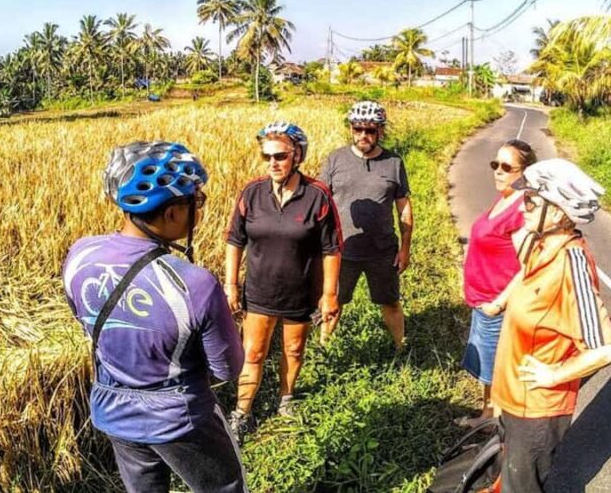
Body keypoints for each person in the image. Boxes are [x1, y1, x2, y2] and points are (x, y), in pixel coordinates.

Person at [62, 141, 247, 493]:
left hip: (114, 413)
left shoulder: (79, 255)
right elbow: (227, 369)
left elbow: (84, 319)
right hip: (182, 420)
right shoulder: (195, 284)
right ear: (173, 213)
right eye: (197, 201)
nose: (200, 209)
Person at [491, 158, 611, 493]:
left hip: (535, 412)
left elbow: (605, 348)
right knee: (505, 477)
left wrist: (553, 375)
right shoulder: (541, 242)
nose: (524, 207)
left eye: (532, 201)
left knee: (521, 487)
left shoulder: (572, 262)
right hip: (511, 395)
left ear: (561, 213)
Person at [225, 121, 342, 441]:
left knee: (293, 350)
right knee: (253, 353)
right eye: (267, 157)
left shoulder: (317, 196)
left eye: (280, 156)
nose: (273, 163)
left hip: (300, 292)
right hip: (260, 291)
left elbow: (331, 248)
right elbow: (234, 240)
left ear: (298, 156)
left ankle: (285, 399)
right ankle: (242, 412)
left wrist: (329, 294)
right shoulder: (252, 192)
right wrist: (231, 284)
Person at [318, 101, 412, 350]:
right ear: (351, 128)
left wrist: (405, 249)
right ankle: (323, 350)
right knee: (333, 301)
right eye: (358, 129)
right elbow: (319, 202)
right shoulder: (335, 159)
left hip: (383, 251)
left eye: (370, 130)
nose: (363, 135)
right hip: (341, 251)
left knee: (390, 301)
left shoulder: (394, 162)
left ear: (380, 131)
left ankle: (401, 348)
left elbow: (403, 207)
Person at [456, 139, 537, 428]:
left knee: (497, 369)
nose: (497, 171)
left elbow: (528, 264)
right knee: (489, 369)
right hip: (483, 299)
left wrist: (499, 303)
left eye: (506, 167)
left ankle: (499, 427)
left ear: (525, 172)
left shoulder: (521, 210)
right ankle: (488, 416)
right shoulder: (504, 197)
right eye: (495, 164)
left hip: (497, 304)